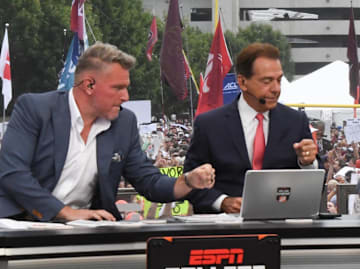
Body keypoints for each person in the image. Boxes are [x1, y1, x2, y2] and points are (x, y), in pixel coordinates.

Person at [0, 42, 215, 222]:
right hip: (24, 223)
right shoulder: (35, 108)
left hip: (88, 229)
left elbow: (149, 182)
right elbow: (13, 174)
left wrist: (187, 181)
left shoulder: (124, 122)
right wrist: (65, 213)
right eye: (118, 88)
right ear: (89, 85)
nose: (126, 97)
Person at [184, 42, 318, 214]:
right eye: (267, 81)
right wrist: (222, 202)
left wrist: (307, 162)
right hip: (225, 230)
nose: (276, 89)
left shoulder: (295, 121)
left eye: (278, 80)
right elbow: (189, 181)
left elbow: (316, 180)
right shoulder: (210, 124)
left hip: (282, 224)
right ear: (242, 82)